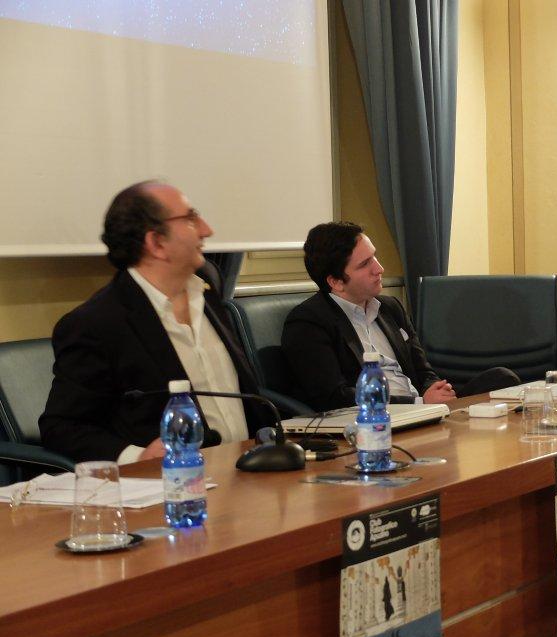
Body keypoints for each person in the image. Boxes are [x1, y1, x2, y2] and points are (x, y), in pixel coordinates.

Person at [40, 181, 270, 464]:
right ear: (157, 243)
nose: (206, 230)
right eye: (191, 219)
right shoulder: (96, 324)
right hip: (175, 480)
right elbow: (62, 427)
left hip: (251, 467)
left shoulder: (207, 294)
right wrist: (139, 456)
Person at [282, 221, 519, 411]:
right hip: (374, 422)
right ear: (336, 282)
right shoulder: (308, 322)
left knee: (501, 379)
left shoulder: (390, 308)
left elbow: (422, 371)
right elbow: (335, 397)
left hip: (423, 410)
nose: (379, 268)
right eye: (365, 264)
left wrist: (434, 391)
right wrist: (419, 403)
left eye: (374, 257)